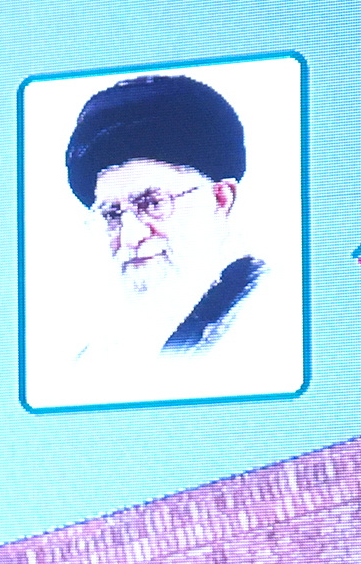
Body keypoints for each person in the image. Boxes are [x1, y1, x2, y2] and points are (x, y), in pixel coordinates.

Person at [59, 75, 282, 386]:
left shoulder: (270, 320)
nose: (130, 237)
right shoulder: (96, 360)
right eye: (112, 215)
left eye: (152, 204)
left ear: (220, 199)